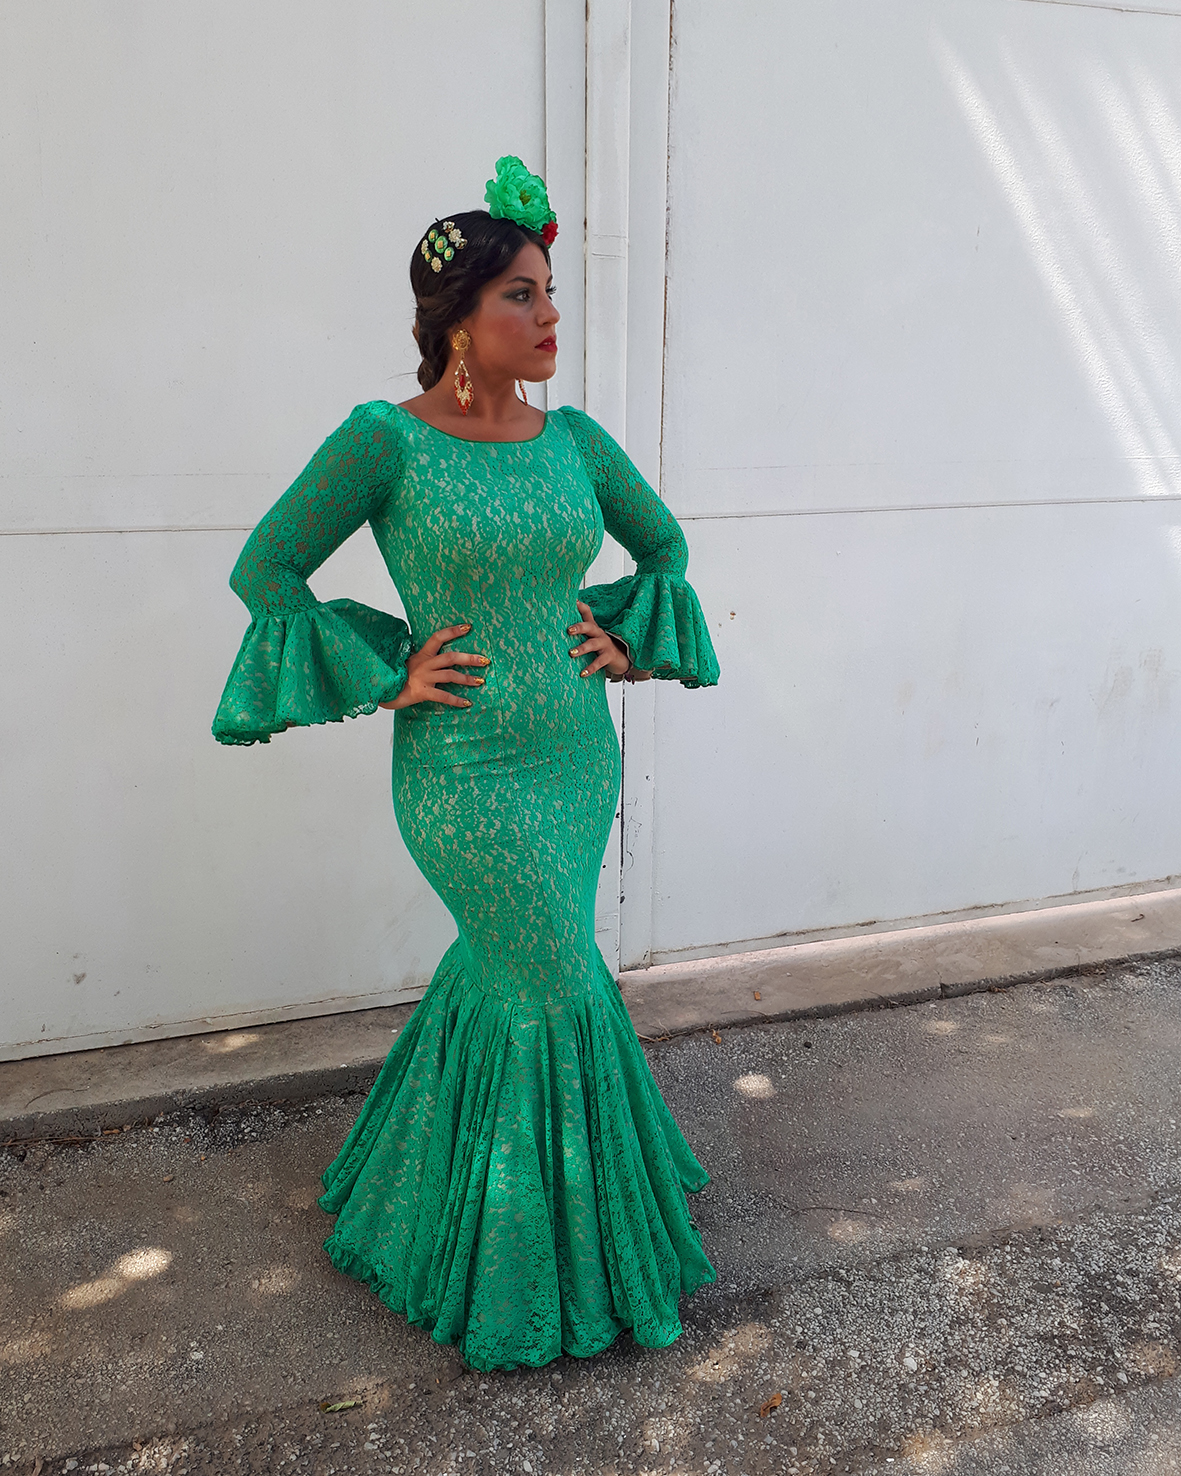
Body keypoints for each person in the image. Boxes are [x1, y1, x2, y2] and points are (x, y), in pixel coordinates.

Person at [212, 156, 721, 1372]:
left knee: (526, 966)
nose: (549, 317)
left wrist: (622, 643)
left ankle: (454, 1192)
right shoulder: (382, 442)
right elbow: (265, 567)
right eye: (520, 296)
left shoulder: (576, 441)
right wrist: (388, 671)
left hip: (572, 757)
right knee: (545, 971)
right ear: (456, 321)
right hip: (461, 766)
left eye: (550, 293)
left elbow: (662, 545)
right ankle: (532, 1257)